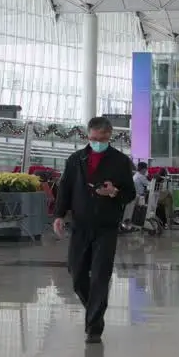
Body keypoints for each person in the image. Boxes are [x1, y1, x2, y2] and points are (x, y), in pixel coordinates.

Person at [52, 116, 136, 344]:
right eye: (93, 138)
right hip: (80, 225)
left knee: (100, 275)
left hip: (106, 226)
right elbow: (65, 189)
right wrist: (59, 215)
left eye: (102, 139)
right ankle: (94, 308)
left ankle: (94, 326)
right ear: (87, 136)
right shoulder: (76, 159)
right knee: (77, 274)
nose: (97, 142)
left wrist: (113, 192)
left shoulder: (120, 161)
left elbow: (130, 193)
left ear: (110, 137)